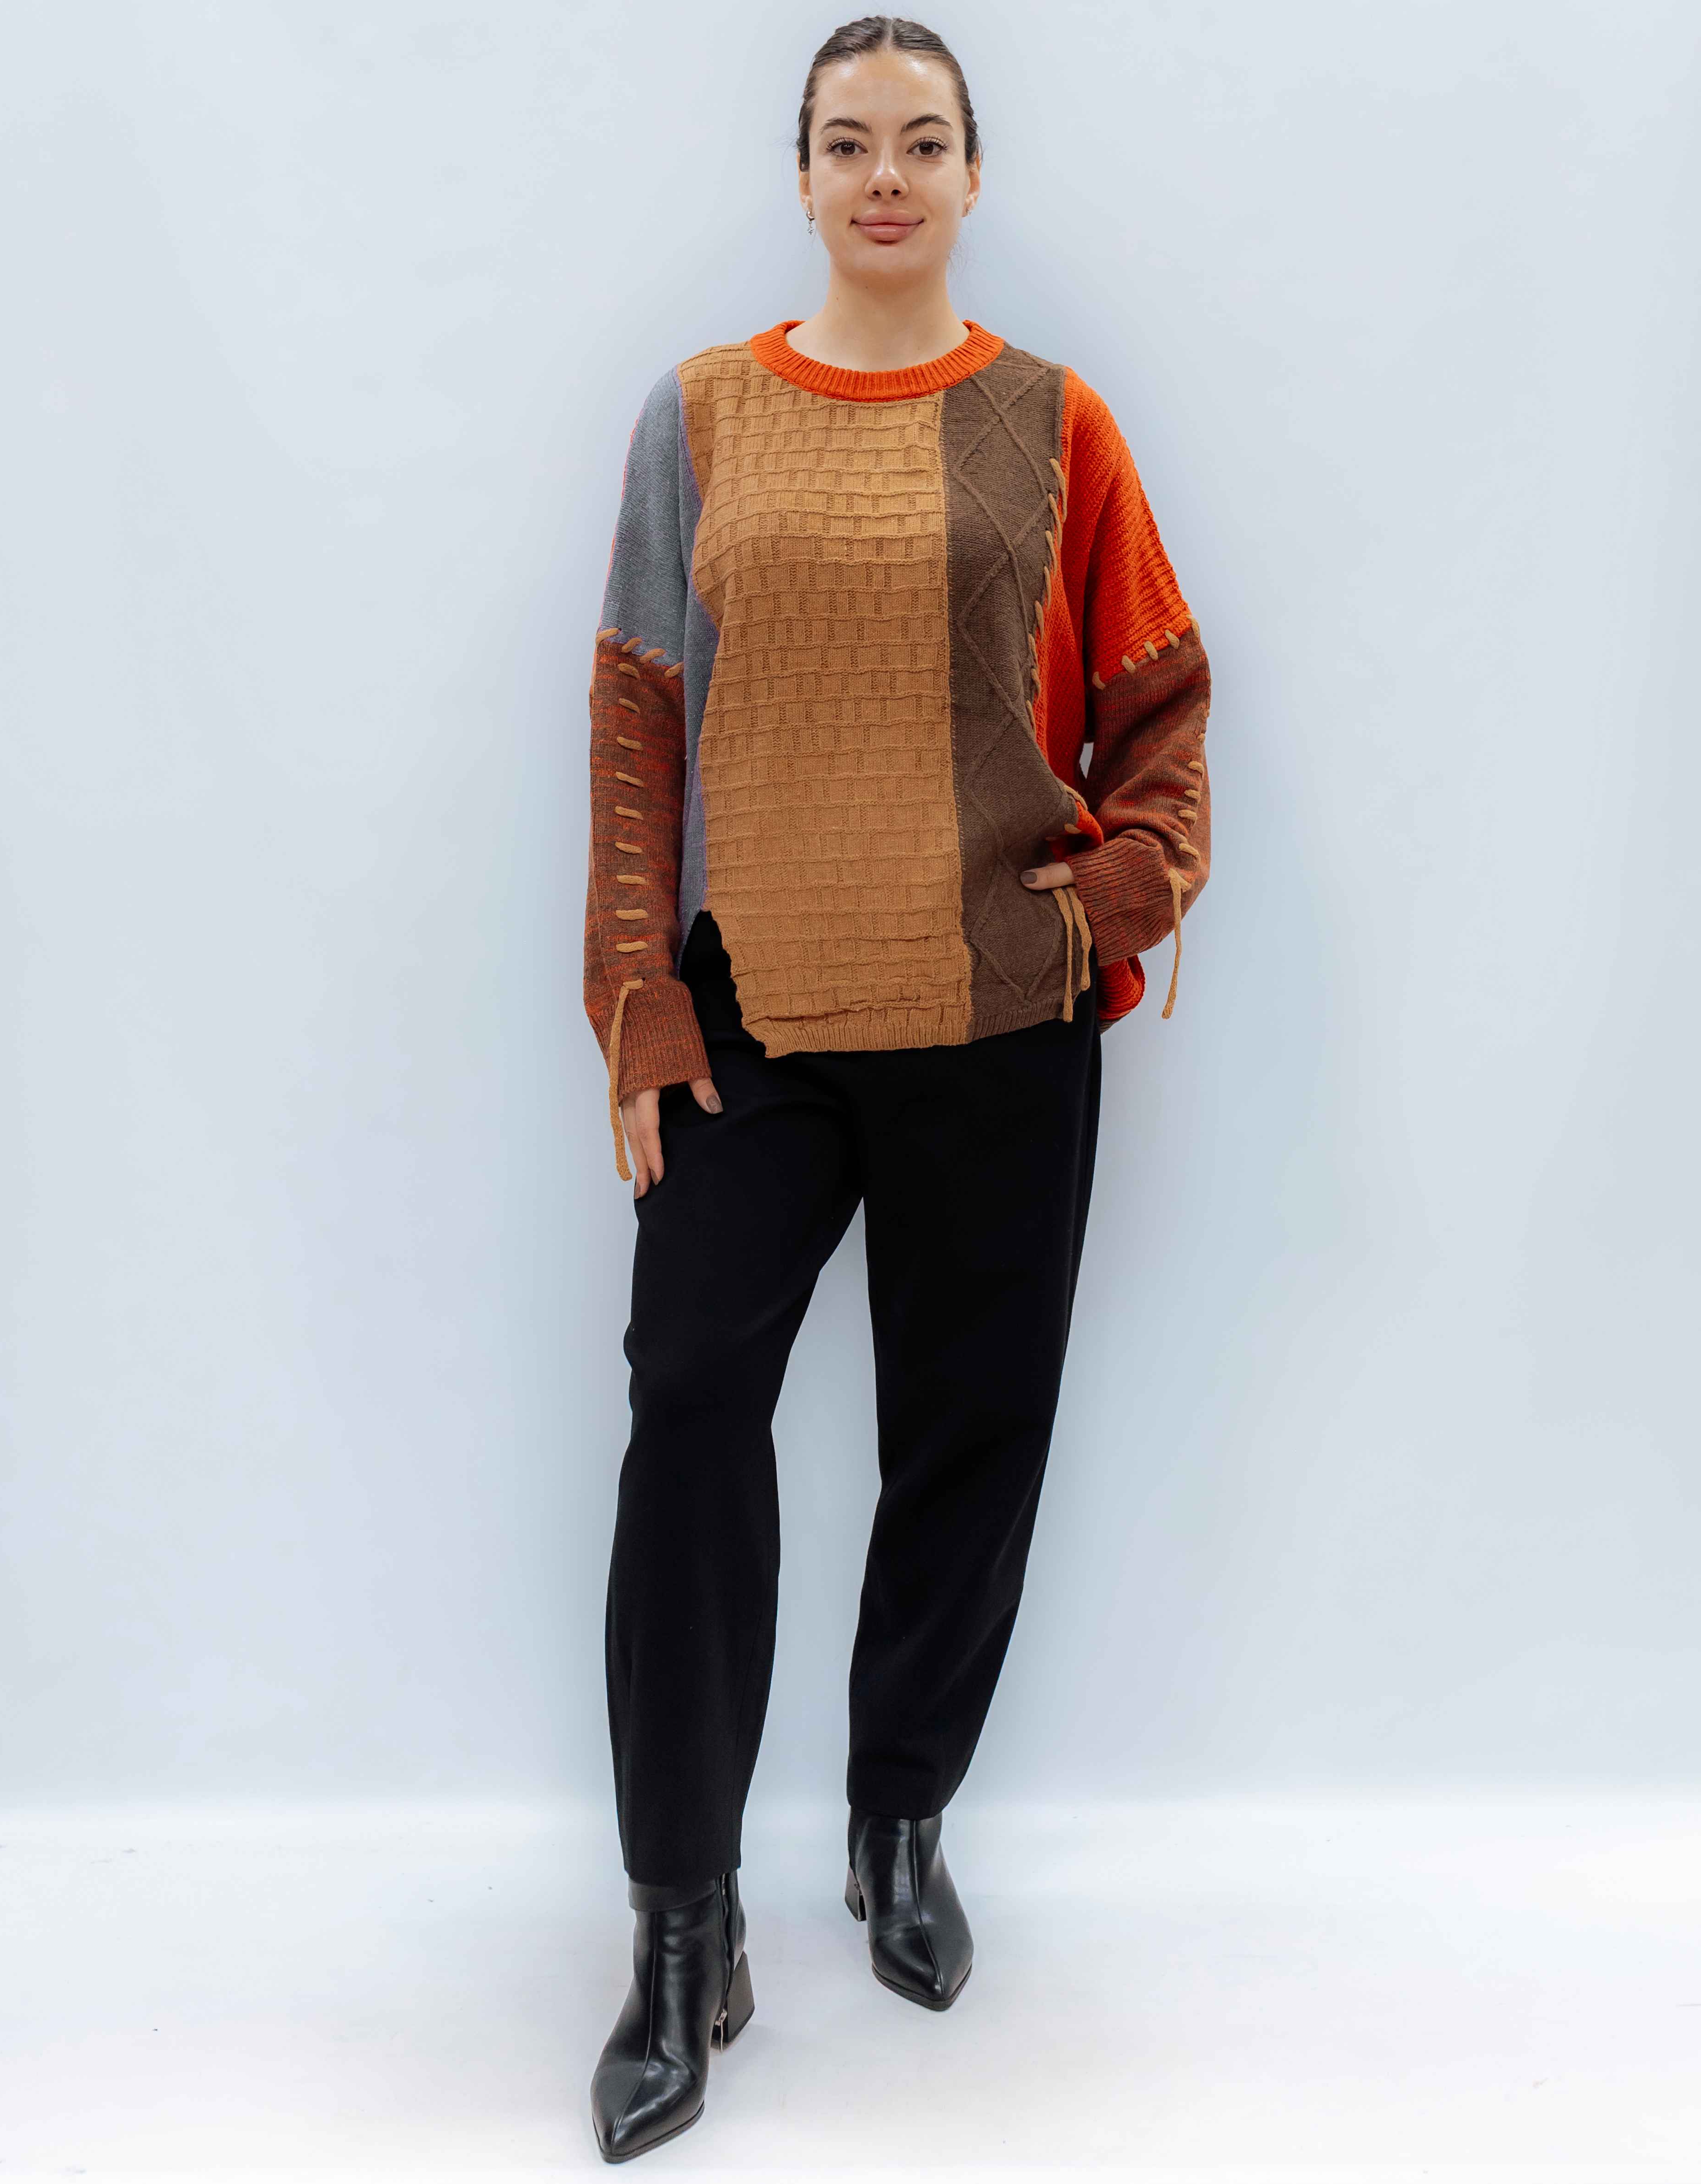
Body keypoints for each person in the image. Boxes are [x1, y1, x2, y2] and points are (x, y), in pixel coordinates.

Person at [580, 13, 1213, 2163]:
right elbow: (638, 718)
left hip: (997, 1018)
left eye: (921, 142)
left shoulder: (1056, 421)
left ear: (970, 174)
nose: (884, 177)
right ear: (801, 173)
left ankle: (898, 1819)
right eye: (848, 141)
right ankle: (683, 1923)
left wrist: (1113, 898)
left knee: (973, 1427)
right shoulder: (700, 417)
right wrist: (637, 1001)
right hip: (757, 1012)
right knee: (690, 1406)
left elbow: (1161, 707)